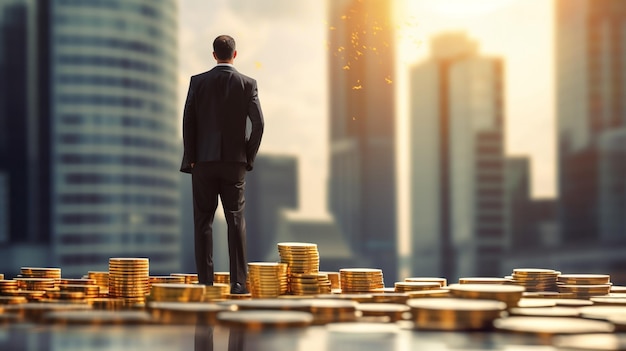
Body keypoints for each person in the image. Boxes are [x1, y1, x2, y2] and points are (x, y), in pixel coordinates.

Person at [180, 35, 264, 294]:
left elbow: (188, 121)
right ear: (235, 55)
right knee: (235, 221)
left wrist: (192, 157)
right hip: (234, 163)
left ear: (213, 54)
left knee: (203, 222)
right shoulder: (248, 84)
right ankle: (238, 283)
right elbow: (259, 124)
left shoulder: (198, 82)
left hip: (203, 162)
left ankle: (206, 283)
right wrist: (247, 156)